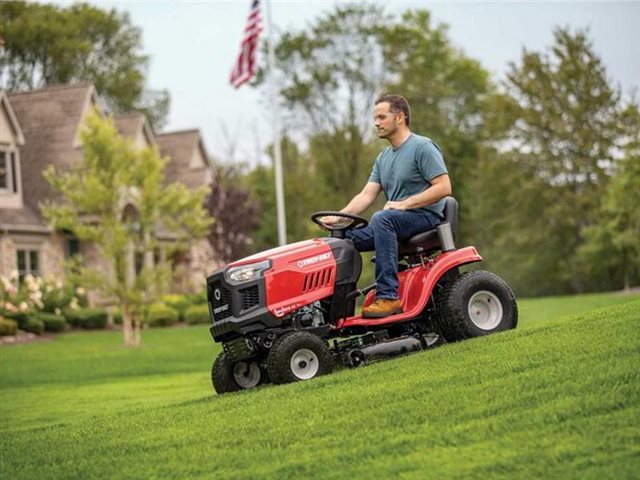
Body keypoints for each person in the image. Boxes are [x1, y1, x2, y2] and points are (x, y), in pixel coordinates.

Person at [325, 95, 452, 318]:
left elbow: (443, 187)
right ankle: (333, 308)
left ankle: (388, 297)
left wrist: (404, 204)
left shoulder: (422, 147)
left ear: (400, 117)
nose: (376, 123)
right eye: (375, 118)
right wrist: (339, 218)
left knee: (383, 218)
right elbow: (366, 195)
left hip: (424, 217)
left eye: (382, 117)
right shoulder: (383, 158)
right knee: (340, 238)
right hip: (395, 222)